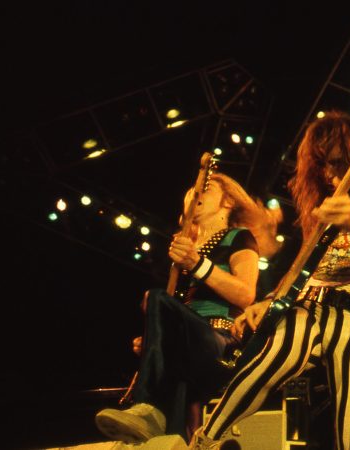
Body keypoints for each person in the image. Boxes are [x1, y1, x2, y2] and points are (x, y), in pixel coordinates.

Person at [191, 111, 350, 450]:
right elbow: (305, 269)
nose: (329, 174)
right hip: (310, 303)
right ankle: (203, 442)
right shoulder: (322, 206)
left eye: (334, 162)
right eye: (321, 166)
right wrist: (269, 300)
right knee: (267, 365)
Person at [95, 172, 282, 443]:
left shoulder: (239, 237)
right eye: (192, 191)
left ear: (228, 201)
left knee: (156, 297)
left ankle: (145, 408)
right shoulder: (182, 253)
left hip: (221, 343)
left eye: (206, 188)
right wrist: (154, 339)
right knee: (177, 400)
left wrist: (197, 264)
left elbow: (245, 294)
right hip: (189, 349)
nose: (197, 194)